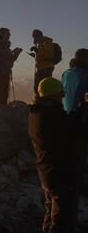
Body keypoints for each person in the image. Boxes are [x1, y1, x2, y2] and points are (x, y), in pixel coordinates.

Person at [28, 77, 76, 232]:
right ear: (52, 96)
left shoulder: (36, 113)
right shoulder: (52, 116)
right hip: (58, 173)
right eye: (60, 94)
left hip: (46, 171)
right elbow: (70, 132)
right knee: (60, 218)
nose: (62, 97)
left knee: (50, 213)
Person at [61, 48, 88, 230]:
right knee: (78, 166)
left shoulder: (66, 72)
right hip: (81, 124)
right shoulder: (86, 76)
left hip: (65, 122)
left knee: (70, 164)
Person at [0, 28, 22, 104]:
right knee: (0, 91)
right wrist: (15, 54)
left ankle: (1, 108)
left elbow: (7, 59)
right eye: (8, 34)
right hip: (0, 70)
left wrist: (16, 54)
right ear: (2, 34)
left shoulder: (3, 45)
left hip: (4, 70)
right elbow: (0, 58)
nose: (9, 35)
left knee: (3, 91)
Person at [30, 30, 57, 97]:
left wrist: (37, 51)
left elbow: (48, 55)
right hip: (44, 67)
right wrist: (36, 54)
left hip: (45, 68)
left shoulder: (46, 42)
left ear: (38, 36)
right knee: (40, 86)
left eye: (34, 36)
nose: (34, 38)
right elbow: (43, 55)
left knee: (40, 87)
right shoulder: (42, 42)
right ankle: (42, 100)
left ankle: (42, 101)